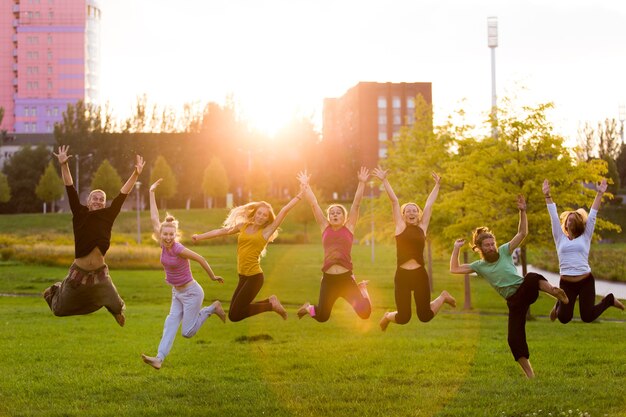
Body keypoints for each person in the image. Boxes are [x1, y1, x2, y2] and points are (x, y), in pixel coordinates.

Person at [449, 195, 569, 378]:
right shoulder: (479, 266)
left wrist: (522, 211)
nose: (491, 247)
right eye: (487, 246)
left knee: (531, 277)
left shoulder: (505, 251)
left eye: (492, 244)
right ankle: (530, 375)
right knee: (513, 340)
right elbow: (454, 269)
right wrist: (456, 248)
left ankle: (554, 292)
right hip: (513, 302)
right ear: (480, 248)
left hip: (525, 290)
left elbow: (522, 233)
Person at [43, 145, 144, 326]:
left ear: (104, 204)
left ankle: (113, 309)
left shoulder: (108, 215)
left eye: (101, 199)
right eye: (94, 198)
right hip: (78, 273)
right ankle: (55, 290)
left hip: (100, 273)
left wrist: (136, 174)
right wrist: (64, 165)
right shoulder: (80, 213)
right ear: (88, 202)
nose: (97, 201)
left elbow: (123, 194)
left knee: (116, 304)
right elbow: (70, 188)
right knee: (59, 310)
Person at [141, 179, 226, 370]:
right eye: (165, 234)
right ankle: (159, 359)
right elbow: (155, 218)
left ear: (175, 234)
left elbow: (201, 258)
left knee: (187, 332)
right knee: (170, 324)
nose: (168, 237)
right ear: (161, 235)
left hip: (192, 293)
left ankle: (212, 308)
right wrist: (151, 192)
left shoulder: (179, 249)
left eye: (172, 235)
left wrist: (212, 277)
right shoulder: (162, 243)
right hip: (176, 293)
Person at [192, 186, 304, 321]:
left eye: (265, 215)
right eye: (259, 213)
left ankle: (270, 305)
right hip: (243, 276)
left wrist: (300, 194)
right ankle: (270, 302)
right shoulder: (243, 226)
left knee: (235, 315)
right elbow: (220, 232)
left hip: (254, 277)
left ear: (268, 219)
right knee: (234, 314)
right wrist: (199, 237)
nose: (261, 217)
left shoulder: (266, 232)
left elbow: (284, 211)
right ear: (255, 213)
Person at [373, 168, 456, 331]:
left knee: (424, 316)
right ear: (403, 215)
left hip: (419, 276)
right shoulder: (400, 227)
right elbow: (395, 201)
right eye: (408, 211)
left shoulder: (422, 227)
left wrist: (437, 186)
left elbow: (429, 204)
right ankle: (387, 316)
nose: (411, 212)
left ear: (418, 214)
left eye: (414, 211)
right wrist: (384, 181)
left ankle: (443, 296)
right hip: (402, 276)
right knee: (403, 317)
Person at [295, 168, 372, 322]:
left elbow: (356, 204)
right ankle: (308, 308)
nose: (334, 214)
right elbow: (314, 205)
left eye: (338, 212)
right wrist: (306, 185)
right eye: (332, 213)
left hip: (345, 279)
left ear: (344, 217)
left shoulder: (349, 228)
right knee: (322, 316)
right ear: (328, 217)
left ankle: (363, 289)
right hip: (329, 280)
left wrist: (362, 183)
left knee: (365, 313)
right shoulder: (325, 227)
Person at [543, 179, 624, 323]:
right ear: (566, 225)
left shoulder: (585, 237)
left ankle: (609, 300)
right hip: (566, 283)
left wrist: (599, 193)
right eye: (569, 219)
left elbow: (593, 214)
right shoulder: (559, 237)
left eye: (574, 218)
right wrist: (547, 195)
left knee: (587, 317)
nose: (571, 220)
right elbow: (553, 216)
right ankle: (558, 306)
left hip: (585, 281)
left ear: (580, 224)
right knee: (564, 318)